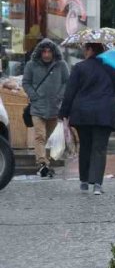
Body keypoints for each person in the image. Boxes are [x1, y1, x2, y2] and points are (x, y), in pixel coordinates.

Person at [59, 43, 115, 195]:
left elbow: (70, 92)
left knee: (86, 146)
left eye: (85, 49)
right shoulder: (113, 67)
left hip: (83, 113)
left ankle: (84, 182)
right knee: (99, 148)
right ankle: (97, 184)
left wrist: (64, 112)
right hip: (105, 112)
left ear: (90, 50)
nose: (83, 52)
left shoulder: (79, 67)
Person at [23, 38, 70, 178]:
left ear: (53, 52)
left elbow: (67, 82)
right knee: (40, 136)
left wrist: (59, 96)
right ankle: (42, 163)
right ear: (40, 52)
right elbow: (26, 82)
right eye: (44, 51)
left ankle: (44, 161)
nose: (46, 54)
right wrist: (34, 95)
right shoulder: (31, 65)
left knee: (46, 136)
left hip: (54, 108)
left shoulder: (61, 65)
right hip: (37, 107)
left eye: (49, 51)